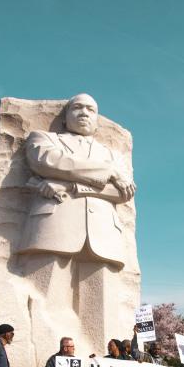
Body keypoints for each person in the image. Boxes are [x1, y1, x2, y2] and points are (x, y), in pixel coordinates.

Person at [19, 93, 136, 266]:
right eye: (77, 107)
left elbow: (122, 192)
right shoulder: (44, 138)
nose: (84, 113)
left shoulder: (113, 154)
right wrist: (109, 171)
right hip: (53, 228)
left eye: (90, 110)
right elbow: (48, 162)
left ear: (97, 121)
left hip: (104, 236)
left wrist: (69, 186)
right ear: (64, 118)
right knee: (42, 291)